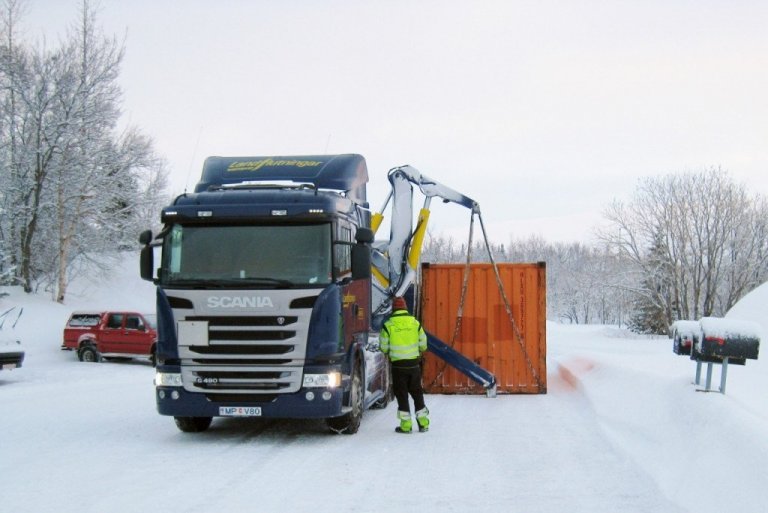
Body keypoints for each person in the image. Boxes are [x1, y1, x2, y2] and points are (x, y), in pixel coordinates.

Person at [379, 296, 430, 433]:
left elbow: (383, 347)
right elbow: (424, 344)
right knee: (417, 393)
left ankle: (406, 426)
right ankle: (423, 423)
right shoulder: (415, 323)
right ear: (405, 308)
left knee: (402, 395)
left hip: (398, 366)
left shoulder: (388, 325)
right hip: (414, 365)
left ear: (393, 309)